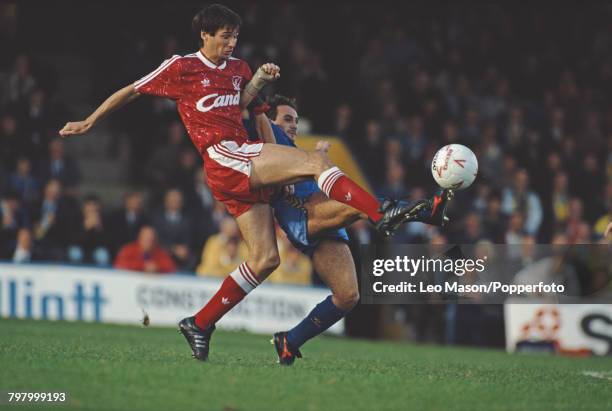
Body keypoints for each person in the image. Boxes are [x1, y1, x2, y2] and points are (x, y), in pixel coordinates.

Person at [59, 4, 451, 362]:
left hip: (243, 162)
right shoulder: (182, 68)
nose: (230, 43)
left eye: (234, 36)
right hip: (225, 157)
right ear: (204, 35)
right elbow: (132, 90)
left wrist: (259, 81)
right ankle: (383, 211)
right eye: (224, 36)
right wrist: (91, 120)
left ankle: (200, 322)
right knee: (317, 160)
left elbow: (246, 106)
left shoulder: (239, 69)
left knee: (266, 259)